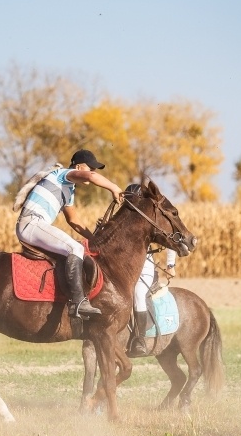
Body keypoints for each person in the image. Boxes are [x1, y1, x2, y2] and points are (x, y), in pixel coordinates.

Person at [15, 149, 123, 317]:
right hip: (32, 223)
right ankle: (78, 302)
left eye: (94, 169)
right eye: (90, 168)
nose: (93, 172)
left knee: (77, 247)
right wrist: (114, 188)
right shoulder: (63, 174)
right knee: (75, 249)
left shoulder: (68, 190)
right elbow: (91, 178)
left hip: (34, 224)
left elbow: (74, 221)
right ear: (79, 167)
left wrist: (96, 239)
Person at [125, 183, 179, 357]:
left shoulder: (151, 219)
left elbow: (171, 237)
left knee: (138, 294)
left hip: (143, 268)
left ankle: (139, 339)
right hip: (121, 269)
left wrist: (170, 264)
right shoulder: (121, 219)